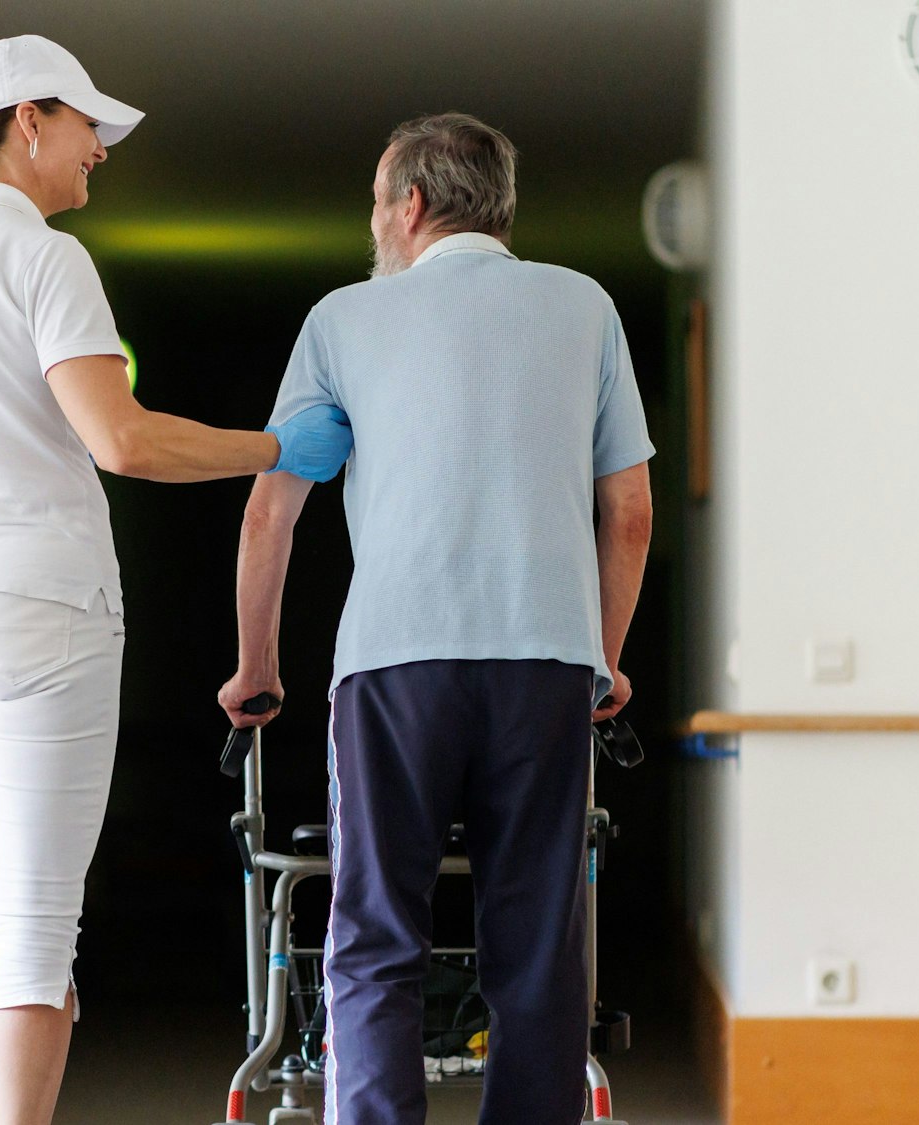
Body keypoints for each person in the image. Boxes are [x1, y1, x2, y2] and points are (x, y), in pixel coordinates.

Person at [0, 35, 352, 1125]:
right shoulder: (44, 261)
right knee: (35, 918)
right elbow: (123, 442)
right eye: (86, 129)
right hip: (39, 603)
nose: (99, 152)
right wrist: (274, 447)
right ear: (27, 122)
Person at [219, 113, 655, 1125]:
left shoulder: (344, 319)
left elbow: (269, 510)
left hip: (391, 666)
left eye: (377, 202)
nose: (375, 221)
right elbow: (626, 513)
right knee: (536, 940)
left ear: (409, 205)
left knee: (375, 936)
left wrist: (256, 671)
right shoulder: (583, 307)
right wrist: (602, 660)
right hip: (543, 657)